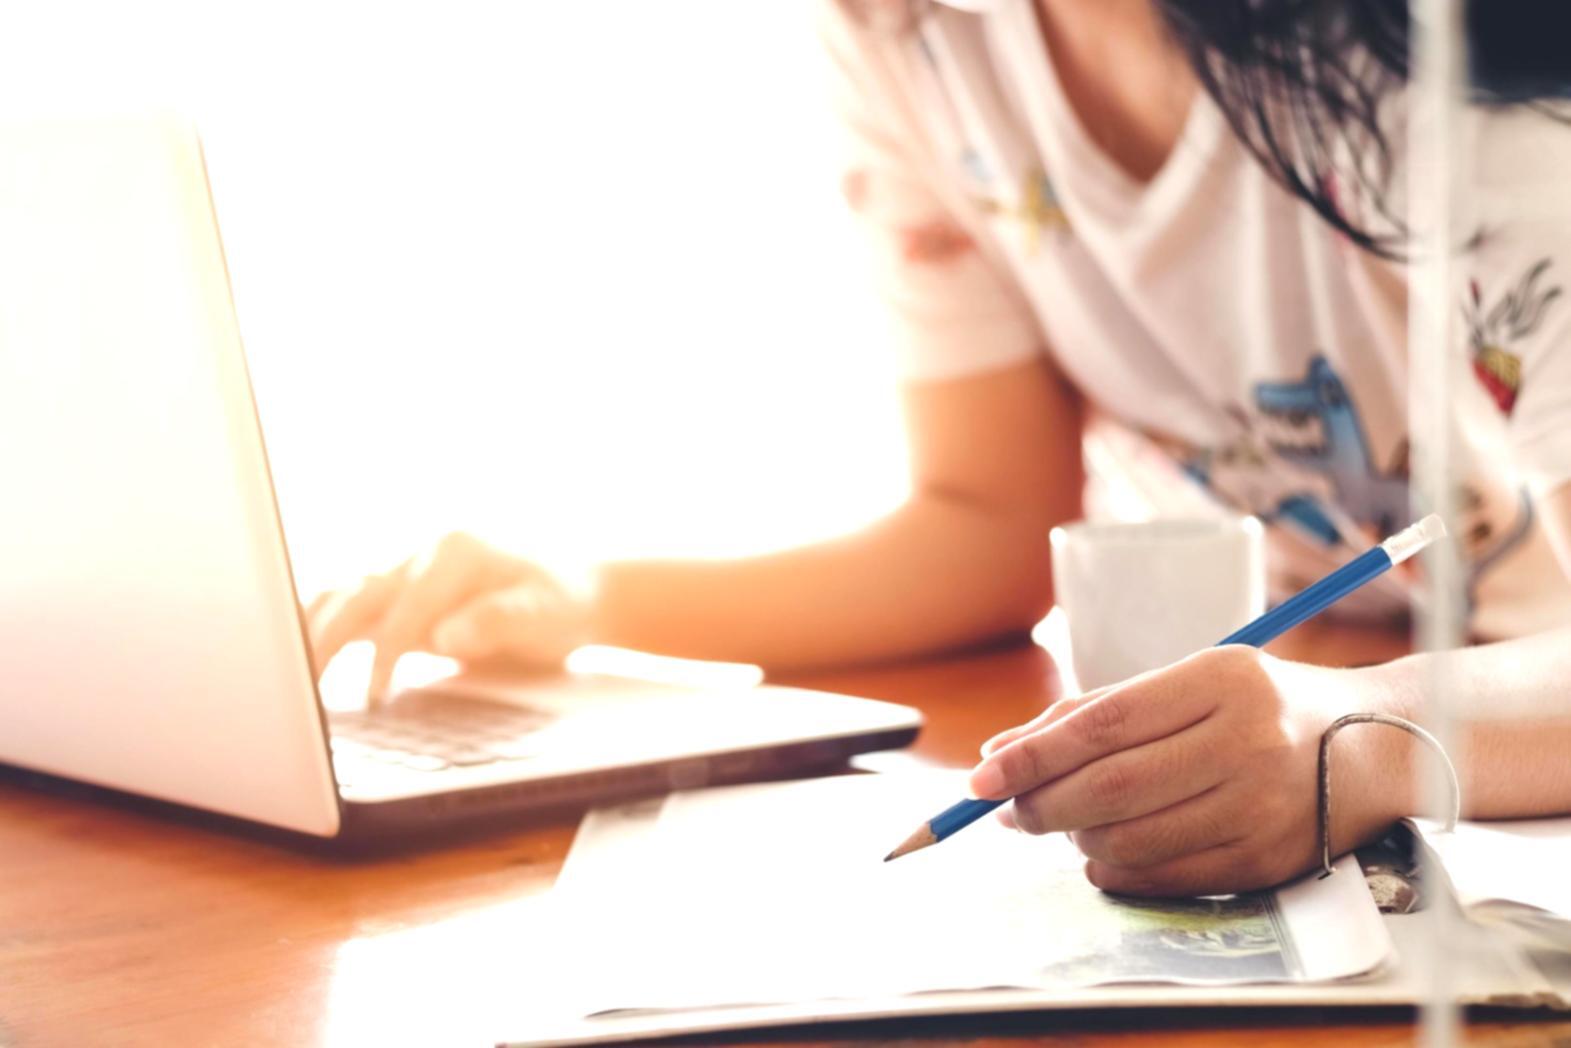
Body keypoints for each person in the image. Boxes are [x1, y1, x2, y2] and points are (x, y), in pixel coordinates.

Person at [307, 0, 1571, 896]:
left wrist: (1353, 730)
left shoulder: (1464, 64)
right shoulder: (903, 27)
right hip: (1288, 707)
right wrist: (591, 598)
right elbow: (984, 517)